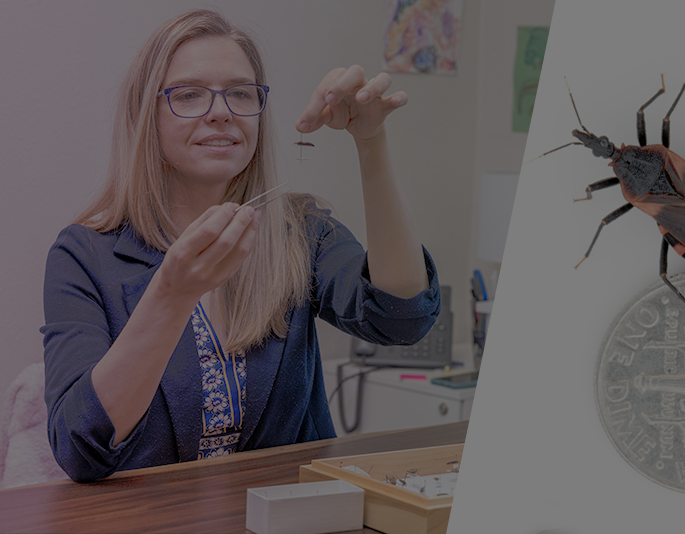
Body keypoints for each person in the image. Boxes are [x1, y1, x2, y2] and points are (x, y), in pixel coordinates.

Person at [39, 9, 440, 483]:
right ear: (146, 116)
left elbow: (402, 318)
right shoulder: (84, 255)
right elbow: (82, 449)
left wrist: (370, 142)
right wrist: (170, 296)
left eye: (240, 93)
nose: (221, 110)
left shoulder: (299, 230)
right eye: (189, 94)